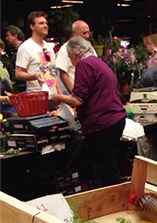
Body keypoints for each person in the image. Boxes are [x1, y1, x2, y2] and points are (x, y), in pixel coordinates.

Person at [51, 35, 126, 187]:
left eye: (69, 57)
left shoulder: (84, 64)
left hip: (103, 123)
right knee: (110, 165)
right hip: (114, 119)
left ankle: (115, 202)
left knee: (107, 170)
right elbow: (94, 94)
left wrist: (59, 97)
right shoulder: (98, 62)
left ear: (73, 52)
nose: (70, 61)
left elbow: (78, 99)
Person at [15, 11, 62, 95]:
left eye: (46, 23)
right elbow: (18, 73)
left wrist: (60, 95)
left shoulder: (49, 47)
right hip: (36, 98)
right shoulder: (26, 47)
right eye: (41, 23)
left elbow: (54, 73)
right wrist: (34, 76)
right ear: (32, 26)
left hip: (54, 97)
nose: (45, 26)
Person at [56, 20, 94, 93]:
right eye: (84, 33)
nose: (87, 36)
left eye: (88, 33)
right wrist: (75, 95)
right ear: (74, 33)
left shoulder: (90, 48)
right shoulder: (65, 48)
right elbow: (63, 74)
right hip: (75, 96)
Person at [4, 25, 25, 92]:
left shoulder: (24, 48)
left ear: (15, 36)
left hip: (25, 85)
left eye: (8, 35)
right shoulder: (15, 50)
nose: (6, 38)